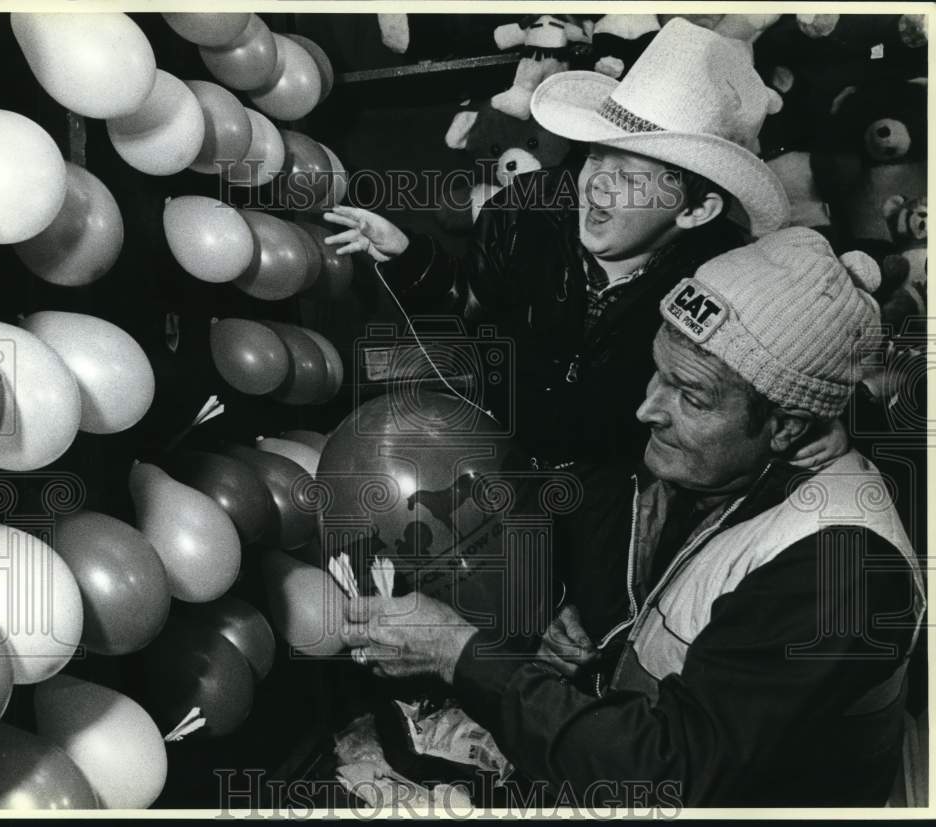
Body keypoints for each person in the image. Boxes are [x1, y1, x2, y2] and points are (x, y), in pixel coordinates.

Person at [339, 228, 927, 807]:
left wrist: (459, 653)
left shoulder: (841, 569)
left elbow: (670, 774)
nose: (649, 408)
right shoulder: (709, 464)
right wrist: (543, 606)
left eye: (691, 397)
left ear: (788, 427)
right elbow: (593, 525)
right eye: (658, 372)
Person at [324, 18, 792, 470]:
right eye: (596, 157)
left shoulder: (729, 283)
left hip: (627, 488)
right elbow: (475, 308)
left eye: (628, 176)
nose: (597, 186)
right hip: (511, 458)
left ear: (695, 210)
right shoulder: (522, 208)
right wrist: (410, 260)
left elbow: (744, 411)